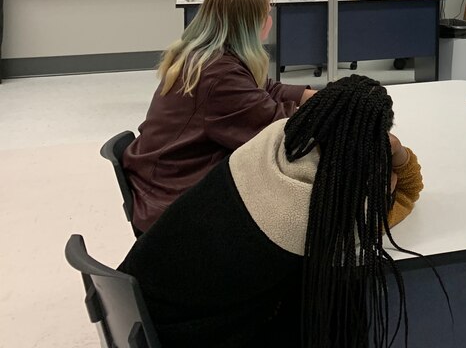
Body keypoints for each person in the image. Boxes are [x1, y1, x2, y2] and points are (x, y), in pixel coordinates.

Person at [120, 75, 422, 348]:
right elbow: (409, 192)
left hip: (139, 294)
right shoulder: (328, 215)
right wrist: (397, 154)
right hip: (181, 332)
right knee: (336, 309)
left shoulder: (276, 138)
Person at [123, 0, 316, 233]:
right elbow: (277, 129)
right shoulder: (219, 75)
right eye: (266, 14)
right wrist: (331, 110)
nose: (270, 20)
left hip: (164, 181)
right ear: (248, 24)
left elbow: (263, 89)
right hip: (174, 203)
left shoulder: (203, 56)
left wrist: (310, 96)